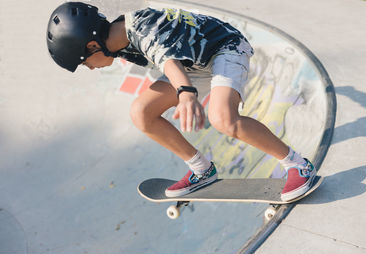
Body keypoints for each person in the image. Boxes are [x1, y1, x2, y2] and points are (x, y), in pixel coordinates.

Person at [46, 2, 317, 201]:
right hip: (192, 63)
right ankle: (202, 169)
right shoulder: (117, 38)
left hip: (225, 48)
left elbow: (166, 58)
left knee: (223, 119)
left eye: (84, 64)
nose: (90, 69)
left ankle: (297, 165)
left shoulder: (142, 28)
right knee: (141, 112)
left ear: (93, 47)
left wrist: (186, 93)